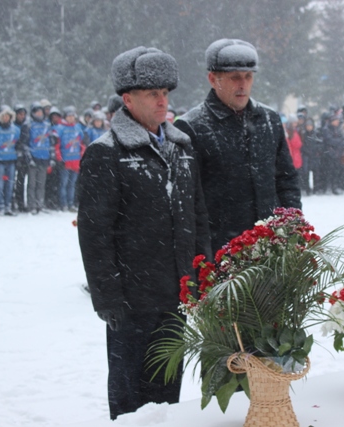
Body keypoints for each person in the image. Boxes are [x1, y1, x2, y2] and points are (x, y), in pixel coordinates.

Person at [77, 46, 210, 419]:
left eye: (165, 94)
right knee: (129, 391)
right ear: (128, 99)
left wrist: (201, 271)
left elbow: (197, 215)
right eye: (152, 94)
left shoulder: (182, 148)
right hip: (131, 299)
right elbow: (94, 232)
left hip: (176, 292)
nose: (162, 102)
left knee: (167, 386)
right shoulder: (106, 154)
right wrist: (107, 296)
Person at [175, 38, 301, 253]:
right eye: (234, 78)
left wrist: (292, 227)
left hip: (271, 246)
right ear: (213, 79)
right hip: (221, 250)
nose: (243, 84)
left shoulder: (269, 120)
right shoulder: (190, 127)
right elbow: (186, 200)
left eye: (248, 77)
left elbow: (286, 179)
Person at [51, 107, 86, 212]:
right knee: (64, 183)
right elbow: (56, 145)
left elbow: (82, 144)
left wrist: (82, 155)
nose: (71, 118)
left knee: (72, 184)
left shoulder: (78, 127)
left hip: (76, 160)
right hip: (65, 161)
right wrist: (59, 158)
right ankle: (63, 203)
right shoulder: (59, 128)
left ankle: (71, 203)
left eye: (72, 116)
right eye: (69, 116)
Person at [0, 107, 20, 215]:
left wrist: (18, 156)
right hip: (0, 160)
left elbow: (18, 145)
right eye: (4, 116)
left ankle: (8, 205)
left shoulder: (16, 130)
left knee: (10, 185)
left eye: (8, 116)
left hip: (11, 160)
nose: (6, 118)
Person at [25, 103, 53, 214]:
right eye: (36, 112)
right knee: (32, 184)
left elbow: (50, 141)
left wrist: (51, 156)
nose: (39, 114)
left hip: (44, 157)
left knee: (41, 183)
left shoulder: (47, 125)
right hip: (34, 156)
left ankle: (39, 203)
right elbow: (25, 143)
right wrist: (29, 158)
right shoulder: (29, 125)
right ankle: (31, 205)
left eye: (40, 112)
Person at [321, 112, 344, 194]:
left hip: (338, 154)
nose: (337, 122)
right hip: (329, 154)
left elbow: (343, 140)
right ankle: (328, 186)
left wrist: (339, 144)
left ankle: (335, 186)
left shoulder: (338, 129)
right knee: (329, 171)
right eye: (336, 120)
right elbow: (329, 141)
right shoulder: (326, 129)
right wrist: (338, 143)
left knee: (337, 171)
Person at [13, 104, 30, 213]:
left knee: (21, 181)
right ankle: (12, 202)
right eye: (19, 114)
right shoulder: (12, 126)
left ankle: (20, 202)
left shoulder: (26, 126)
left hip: (23, 158)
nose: (21, 116)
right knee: (10, 181)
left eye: (23, 114)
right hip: (11, 156)